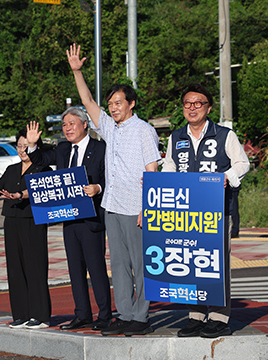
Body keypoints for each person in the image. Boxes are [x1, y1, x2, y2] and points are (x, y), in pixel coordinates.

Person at [67, 44, 161, 336]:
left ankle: (141, 317)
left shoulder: (144, 130)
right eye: (111, 105)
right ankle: (125, 313)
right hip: (113, 205)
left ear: (131, 103)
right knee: (119, 265)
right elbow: (88, 101)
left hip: (137, 207)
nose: (113, 108)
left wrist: (148, 208)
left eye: (119, 103)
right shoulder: (109, 128)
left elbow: (152, 172)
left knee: (140, 264)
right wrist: (77, 72)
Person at [162, 84, 250, 338]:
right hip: (186, 214)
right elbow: (169, 167)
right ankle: (196, 315)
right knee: (192, 262)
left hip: (218, 212)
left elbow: (242, 163)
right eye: (187, 103)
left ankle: (220, 317)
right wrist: (156, 183)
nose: (192, 108)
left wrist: (226, 177)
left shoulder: (224, 135)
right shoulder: (176, 137)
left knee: (217, 264)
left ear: (208, 108)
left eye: (198, 103)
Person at [26, 107, 112, 331]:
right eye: (64, 125)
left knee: (96, 269)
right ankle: (82, 313)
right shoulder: (63, 149)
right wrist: (33, 145)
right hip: (69, 218)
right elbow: (41, 160)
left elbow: (110, 177)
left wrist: (98, 187)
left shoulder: (101, 148)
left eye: (72, 123)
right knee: (75, 269)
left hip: (92, 218)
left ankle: (104, 314)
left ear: (85, 124)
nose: (67, 128)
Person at [0, 129, 52, 329]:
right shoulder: (12, 169)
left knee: (35, 266)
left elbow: (36, 190)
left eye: (26, 146)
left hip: (33, 220)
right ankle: (21, 314)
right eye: (20, 146)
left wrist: (20, 195)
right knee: (15, 268)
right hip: (12, 220)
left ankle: (40, 315)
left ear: (35, 147)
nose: (23, 150)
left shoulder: (43, 169)